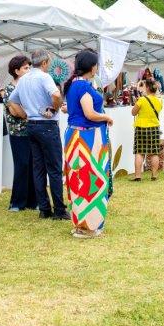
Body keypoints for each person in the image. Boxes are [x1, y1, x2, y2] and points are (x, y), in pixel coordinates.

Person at [9, 50, 68, 220]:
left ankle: (44, 208)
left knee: (38, 168)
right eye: (48, 63)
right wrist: (54, 108)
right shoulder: (44, 77)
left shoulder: (24, 79)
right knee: (55, 168)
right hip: (47, 125)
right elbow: (56, 94)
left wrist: (25, 114)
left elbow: (12, 101)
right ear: (44, 63)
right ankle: (59, 209)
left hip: (32, 125)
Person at [63, 51, 113, 239]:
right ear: (92, 67)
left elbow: (74, 108)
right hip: (88, 139)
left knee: (77, 179)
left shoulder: (73, 85)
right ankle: (89, 226)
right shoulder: (83, 86)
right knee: (91, 179)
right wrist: (106, 117)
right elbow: (90, 114)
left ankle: (80, 223)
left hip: (74, 136)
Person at [3, 55, 35, 212]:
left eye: (29, 67)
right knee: (22, 165)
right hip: (18, 132)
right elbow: (16, 112)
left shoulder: (28, 86)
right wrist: (31, 113)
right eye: (25, 68)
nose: (28, 70)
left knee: (32, 165)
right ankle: (17, 202)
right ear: (16, 71)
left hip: (31, 131)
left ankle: (32, 201)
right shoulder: (9, 89)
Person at [132, 77, 164, 177]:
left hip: (141, 128)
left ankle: (138, 176)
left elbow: (133, 112)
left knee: (140, 152)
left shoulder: (142, 100)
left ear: (146, 88)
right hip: (154, 127)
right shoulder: (160, 101)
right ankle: (154, 175)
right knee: (154, 152)